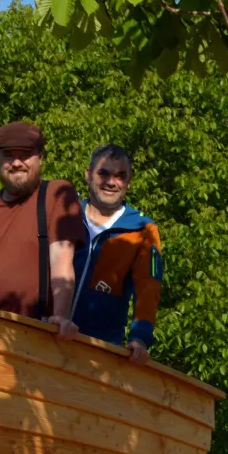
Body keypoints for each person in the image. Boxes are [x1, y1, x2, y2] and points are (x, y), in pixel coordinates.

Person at [0, 121, 86, 336]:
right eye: (8, 155)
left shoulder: (56, 195)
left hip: (32, 335)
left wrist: (61, 317)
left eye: (25, 155)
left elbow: (61, 259)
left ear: (40, 157)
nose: (16, 162)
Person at [72, 144, 162, 362]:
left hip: (101, 348)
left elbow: (149, 290)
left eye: (120, 176)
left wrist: (140, 338)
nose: (111, 182)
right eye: (103, 173)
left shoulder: (143, 230)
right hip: (47, 330)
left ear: (129, 183)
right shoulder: (67, 215)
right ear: (88, 175)